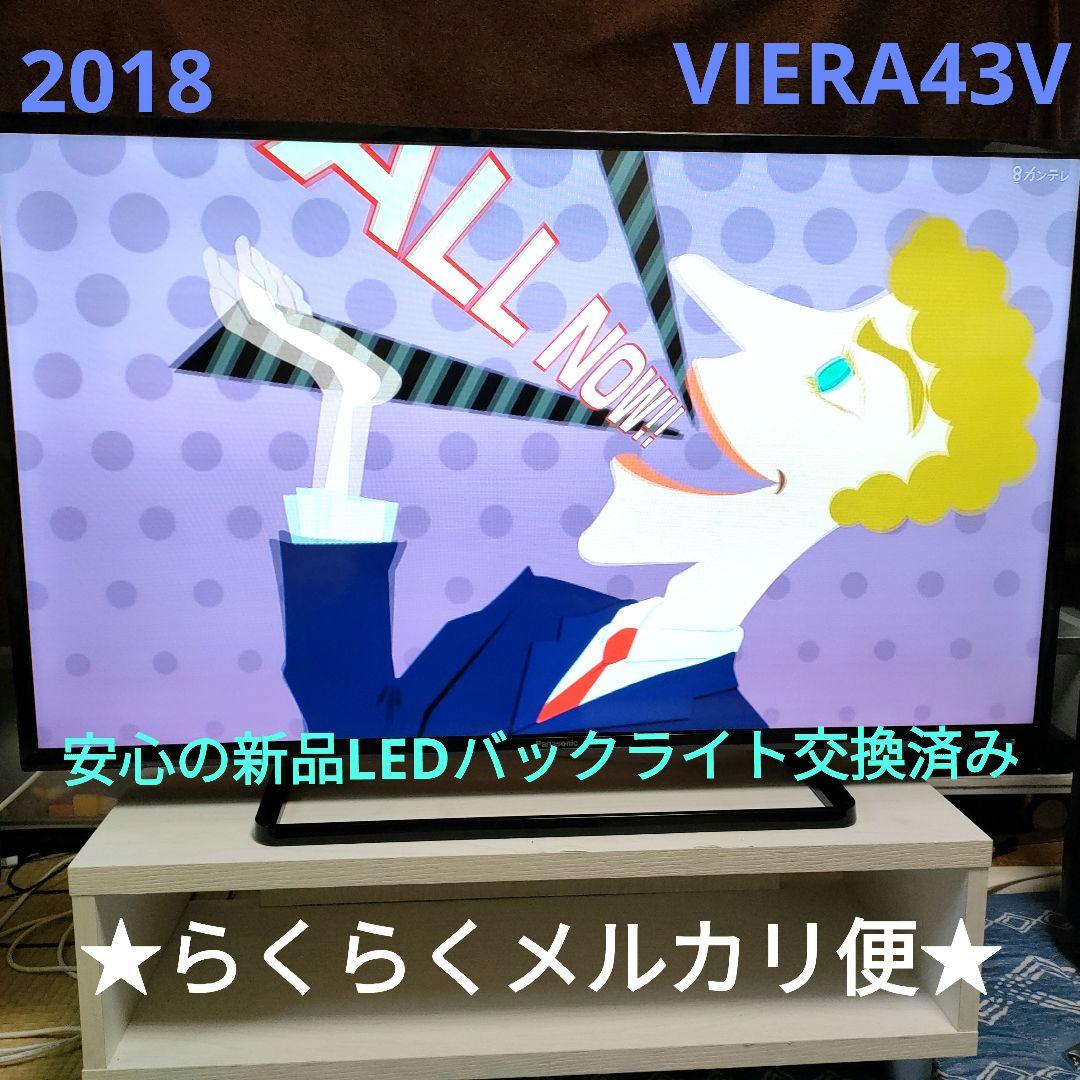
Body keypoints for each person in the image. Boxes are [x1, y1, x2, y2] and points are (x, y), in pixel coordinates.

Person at [201, 217, 1036, 737]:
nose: (700, 387)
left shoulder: (734, 739)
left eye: (834, 380)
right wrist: (346, 400)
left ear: (867, 500)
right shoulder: (535, 614)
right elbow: (353, 730)